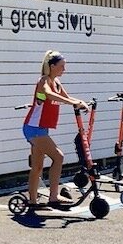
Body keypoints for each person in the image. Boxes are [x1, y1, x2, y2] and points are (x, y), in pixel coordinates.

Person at [23, 50, 88, 205]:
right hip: (33, 128)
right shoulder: (43, 81)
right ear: (52, 66)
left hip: (41, 129)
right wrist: (73, 103)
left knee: (37, 167)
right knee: (58, 157)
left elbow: (66, 98)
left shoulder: (57, 83)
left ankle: (32, 201)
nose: (64, 69)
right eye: (61, 66)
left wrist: (80, 102)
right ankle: (53, 196)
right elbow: (49, 94)